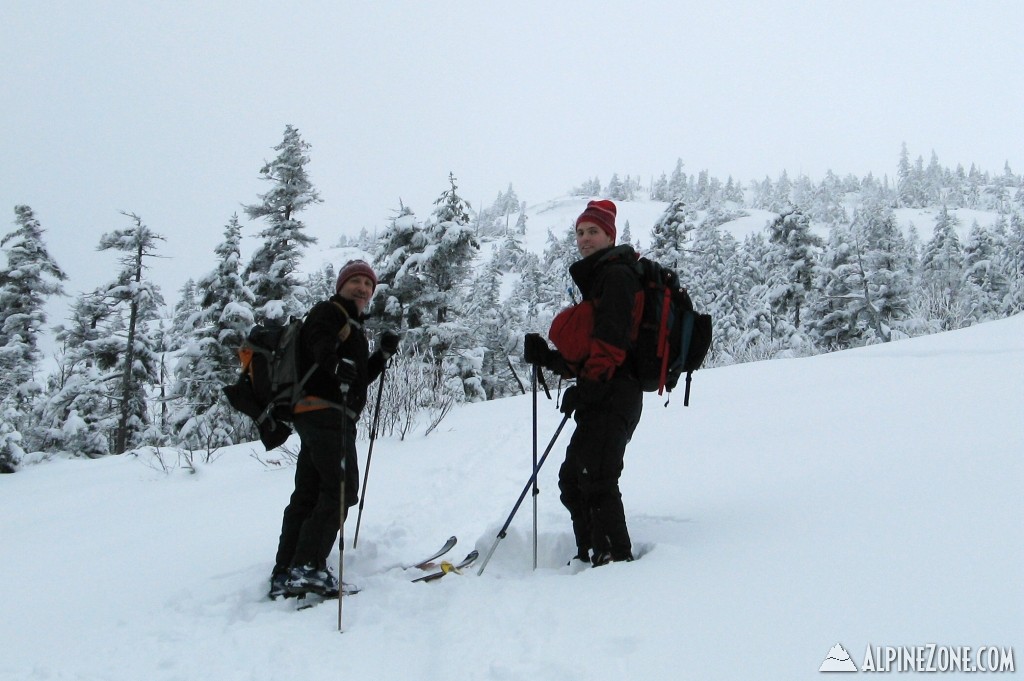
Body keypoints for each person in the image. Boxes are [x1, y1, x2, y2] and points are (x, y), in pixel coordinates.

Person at [268, 260, 400, 598]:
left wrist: (380, 356)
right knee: (343, 489)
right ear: (341, 285)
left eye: (368, 284)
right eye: (355, 281)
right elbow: (319, 345)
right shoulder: (329, 312)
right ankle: (308, 566)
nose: (363, 288)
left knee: (309, 494)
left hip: (317, 414)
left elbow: (355, 377)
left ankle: (286, 570)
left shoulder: (352, 325)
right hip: (327, 414)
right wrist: (334, 363)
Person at [524, 199, 643, 567]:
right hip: (604, 393)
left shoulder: (618, 276)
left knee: (595, 478)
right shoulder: (601, 278)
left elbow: (611, 348)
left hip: (615, 394)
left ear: (610, 235)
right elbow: (593, 354)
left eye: (593, 231)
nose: (585, 238)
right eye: (580, 232)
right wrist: (547, 357)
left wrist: (587, 387)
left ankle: (613, 561)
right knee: (574, 480)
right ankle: (591, 552)